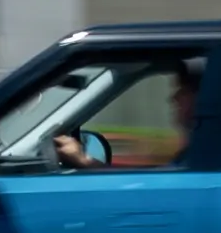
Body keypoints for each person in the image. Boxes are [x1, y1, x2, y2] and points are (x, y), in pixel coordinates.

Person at [53, 60, 202, 170]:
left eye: (183, 91)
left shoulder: (207, 153)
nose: (173, 98)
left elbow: (149, 189)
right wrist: (86, 161)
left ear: (203, 98)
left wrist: (84, 160)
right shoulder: (199, 151)